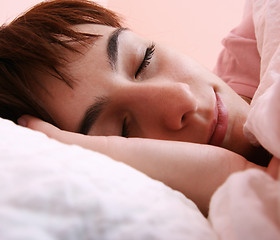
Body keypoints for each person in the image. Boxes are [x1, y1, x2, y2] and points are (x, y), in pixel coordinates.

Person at [0, 0, 270, 215]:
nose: (182, 98)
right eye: (124, 130)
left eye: (144, 60)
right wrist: (228, 175)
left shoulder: (264, 31)